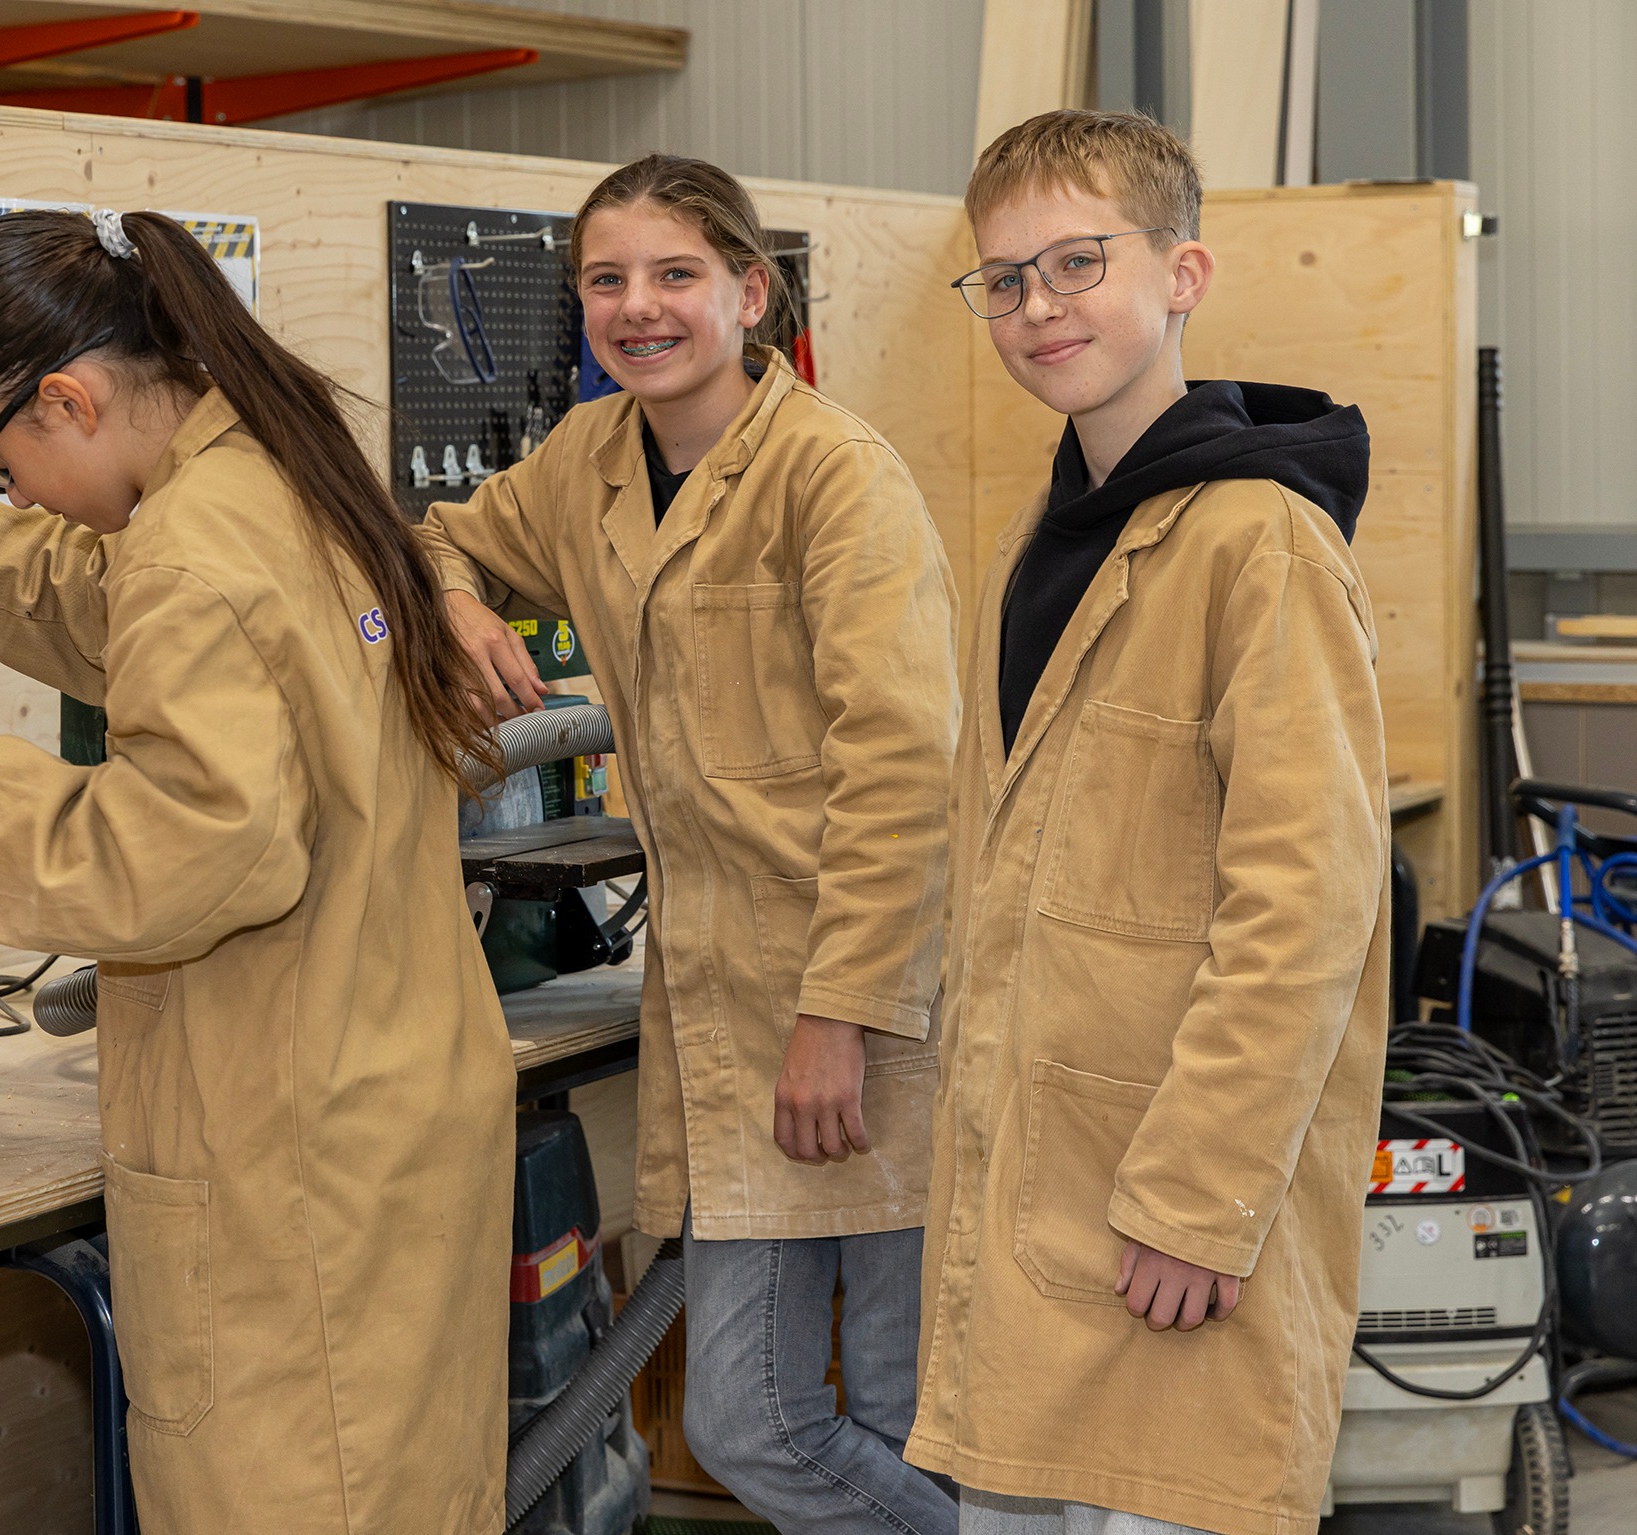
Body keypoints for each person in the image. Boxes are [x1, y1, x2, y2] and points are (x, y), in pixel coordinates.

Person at [0, 208, 517, 1534]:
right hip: (389, 1114)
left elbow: (190, 853)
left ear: (70, 399)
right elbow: (78, 591)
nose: (8, 493)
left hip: (289, 1166)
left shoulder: (198, 551)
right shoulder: (278, 480)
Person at [416, 154, 961, 1535]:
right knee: (747, 1416)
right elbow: (432, 532)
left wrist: (836, 1017)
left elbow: (904, 773)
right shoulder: (590, 462)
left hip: (874, 1003)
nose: (637, 308)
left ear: (750, 292)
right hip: (718, 1005)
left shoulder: (837, 479)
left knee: (890, 1411)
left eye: (675, 275)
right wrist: (457, 606)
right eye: (608, 280)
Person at [905, 110, 1388, 1535]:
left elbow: (1305, 907)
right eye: (1004, 280)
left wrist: (1195, 1195)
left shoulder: (1262, 542)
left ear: (1183, 274)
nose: (1038, 306)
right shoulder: (1052, 535)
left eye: (1076, 262)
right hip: (1043, 1206)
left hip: (1172, 1222)